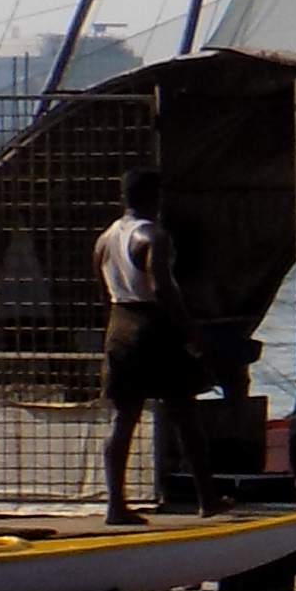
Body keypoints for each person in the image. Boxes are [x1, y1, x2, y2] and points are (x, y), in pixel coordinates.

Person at [97, 168, 221, 524]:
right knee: (184, 412)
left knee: (123, 418)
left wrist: (115, 328)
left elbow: (103, 291)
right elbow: (163, 287)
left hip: (119, 327)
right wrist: (189, 330)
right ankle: (207, 498)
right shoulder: (154, 235)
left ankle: (115, 505)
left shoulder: (104, 239)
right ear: (156, 197)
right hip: (155, 328)